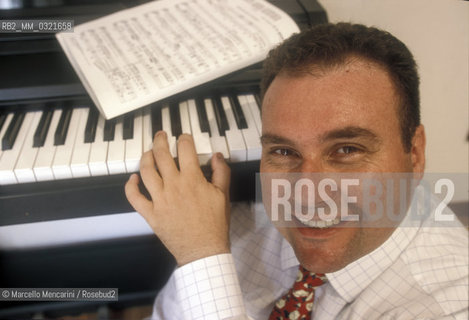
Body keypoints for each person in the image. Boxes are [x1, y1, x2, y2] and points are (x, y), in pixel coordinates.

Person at [125, 23, 468, 319]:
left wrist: (201, 256)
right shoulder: (233, 213)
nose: (306, 194)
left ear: (415, 154)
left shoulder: (448, 304)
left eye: (347, 150)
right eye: (284, 151)